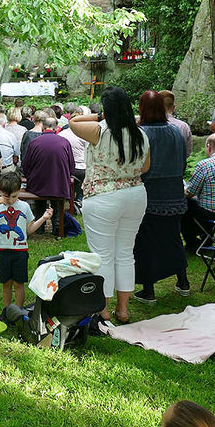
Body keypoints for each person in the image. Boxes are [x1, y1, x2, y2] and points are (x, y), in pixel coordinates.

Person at [70, 87, 150, 324]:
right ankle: (123, 310)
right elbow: (145, 168)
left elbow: (73, 121)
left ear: (106, 109)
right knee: (125, 253)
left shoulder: (99, 130)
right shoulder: (141, 134)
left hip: (103, 196)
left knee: (102, 255)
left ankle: (103, 310)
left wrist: (99, 116)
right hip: (135, 194)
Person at [133, 91, 189, 304]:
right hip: (174, 195)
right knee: (174, 239)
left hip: (149, 196)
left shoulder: (141, 133)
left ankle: (148, 290)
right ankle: (183, 282)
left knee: (145, 242)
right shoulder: (176, 131)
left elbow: (137, 166)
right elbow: (183, 162)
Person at [0, 171, 53, 307]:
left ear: (19, 191)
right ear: (0, 192)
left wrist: (43, 218)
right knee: (6, 282)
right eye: (7, 197)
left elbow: (28, 229)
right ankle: (7, 310)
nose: (11, 200)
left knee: (19, 283)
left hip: (20, 251)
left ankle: (18, 311)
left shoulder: (24, 206)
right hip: (2, 250)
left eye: (14, 196)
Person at [22, 115, 75, 232]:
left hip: (38, 183)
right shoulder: (65, 142)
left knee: (40, 200)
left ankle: (40, 226)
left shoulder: (34, 143)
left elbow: (26, 165)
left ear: (43, 127)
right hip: (59, 184)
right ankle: (57, 226)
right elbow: (71, 166)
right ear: (56, 128)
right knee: (56, 201)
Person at [181, 133, 215, 253]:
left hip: (209, 212)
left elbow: (190, 192)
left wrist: (182, 189)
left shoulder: (204, 165)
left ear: (209, 147)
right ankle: (207, 239)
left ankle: (192, 243)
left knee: (185, 205)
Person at [58, 113, 88, 204]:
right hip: (81, 168)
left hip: (65, 168)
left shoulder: (61, 134)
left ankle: (70, 196)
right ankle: (79, 197)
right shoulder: (85, 134)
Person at [159, 90, 192, 159]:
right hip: (178, 167)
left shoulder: (150, 125)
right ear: (174, 107)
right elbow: (187, 153)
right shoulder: (184, 126)